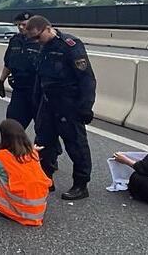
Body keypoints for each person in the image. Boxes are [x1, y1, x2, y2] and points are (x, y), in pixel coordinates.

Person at [25, 15, 96, 200]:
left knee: (76, 144)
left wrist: (86, 106)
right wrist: (35, 101)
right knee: (43, 143)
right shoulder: (42, 48)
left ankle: (81, 184)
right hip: (47, 103)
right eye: (32, 39)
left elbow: (86, 78)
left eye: (37, 37)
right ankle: (46, 179)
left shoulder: (70, 46)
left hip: (68, 105)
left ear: (48, 29)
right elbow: (40, 78)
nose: (36, 42)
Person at [0, 12, 41, 128]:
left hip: (38, 93)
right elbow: (8, 63)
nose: (21, 27)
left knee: (44, 133)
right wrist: (1, 80)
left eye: (24, 24)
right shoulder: (15, 41)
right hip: (19, 92)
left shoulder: (42, 42)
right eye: (18, 25)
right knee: (12, 128)